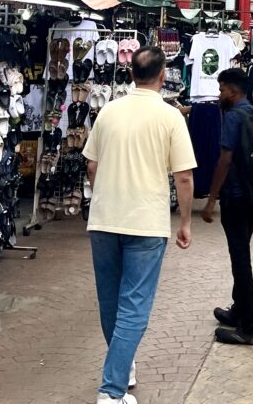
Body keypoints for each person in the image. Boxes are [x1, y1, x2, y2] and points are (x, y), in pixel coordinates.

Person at [83, 46, 197, 404]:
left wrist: (105, 194)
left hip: (104, 219)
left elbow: (91, 166)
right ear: (163, 77)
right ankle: (111, 391)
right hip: (146, 222)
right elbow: (184, 177)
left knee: (110, 300)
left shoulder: (108, 112)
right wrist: (186, 222)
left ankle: (124, 366)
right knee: (134, 305)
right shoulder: (170, 117)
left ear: (130, 73)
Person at [202, 69, 253, 346]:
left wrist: (212, 198)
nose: (220, 94)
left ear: (233, 91)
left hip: (235, 196)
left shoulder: (234, 117)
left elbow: (225, 159)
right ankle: (238, 310)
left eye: (222, 89)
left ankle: (249, 327)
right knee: (241, 251)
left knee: (240, 260)